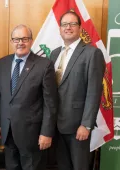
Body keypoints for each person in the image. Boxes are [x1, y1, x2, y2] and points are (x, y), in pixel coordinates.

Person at [0, 24, 58, 170]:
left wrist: (46, 132)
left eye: (24, 38)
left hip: (32, 135)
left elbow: (50, 103)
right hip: (8, 132)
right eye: (16, 39)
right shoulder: (2, 63)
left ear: (31, 40)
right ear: (11, 41)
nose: (20, 43)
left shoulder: (44, 65)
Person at [50, 11, 105, 170]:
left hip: (78, 127)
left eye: (72, 24)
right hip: (56, 125)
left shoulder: (92, 53)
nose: (68, 27)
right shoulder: (54, 54)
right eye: (64, 24)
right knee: (63, 166)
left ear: (80, 28)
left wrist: (86, 124)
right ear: (60, 29)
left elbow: (94, 91)